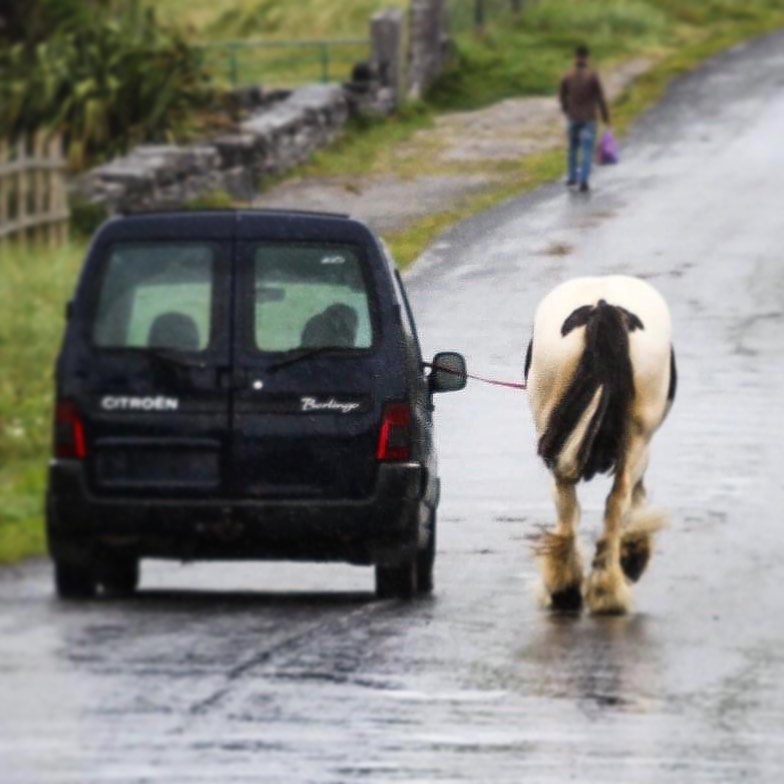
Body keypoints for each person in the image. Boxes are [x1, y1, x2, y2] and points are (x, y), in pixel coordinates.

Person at [559, 45, 610, 193]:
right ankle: (584, 180)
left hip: (573, 117)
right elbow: (600, 98)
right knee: (587, 149)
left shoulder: (568, 75)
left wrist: (566, 110)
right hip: (589, 118)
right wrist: (606, 117)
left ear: (575, 57)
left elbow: (562, 96)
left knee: (573, 148)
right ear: (587, 58)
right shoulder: (592, 76)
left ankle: (572, 177)